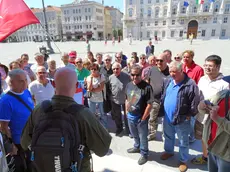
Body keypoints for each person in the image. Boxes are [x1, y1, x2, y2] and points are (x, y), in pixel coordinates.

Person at [21, 68, 112, 172]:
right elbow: (103, 149)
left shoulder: (40, 109)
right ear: (77, 84)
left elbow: (24, 142)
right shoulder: (83, 114)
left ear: (54, 84)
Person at [160, 61, 200, 172]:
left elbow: (195, 102)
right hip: (167, 117)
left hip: (182, 119)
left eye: (175, 72)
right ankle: (169, 151)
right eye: (170, 71)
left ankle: (183, 160)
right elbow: (164, 95)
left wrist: (189, 116)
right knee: (168, 136)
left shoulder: (190, 84)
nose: (172, 74)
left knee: (183, 141)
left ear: (181, 71)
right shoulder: (168, 80)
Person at [191, 55, 229, 165]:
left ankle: (214, 160)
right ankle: (205, 156)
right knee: (203, 138)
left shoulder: (224, 85)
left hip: (214, 120)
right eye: (205, 65)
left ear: (218, 67)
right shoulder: (202, 79)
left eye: (210, 66)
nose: (207, 68)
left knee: (213, 140)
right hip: (200, 116)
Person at [0, 69, 34, 171]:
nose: (24, 83)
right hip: (19, 143)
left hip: (32, 138)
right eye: (20, 81)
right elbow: (3, 127)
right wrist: (11, 144)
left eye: (25, 80)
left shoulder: (27, 92)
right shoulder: (5, 101)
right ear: (11, 82)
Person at [198, 75, 230, 172]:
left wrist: (217, 118)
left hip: (225, 152)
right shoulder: (224, 94)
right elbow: (204, 107)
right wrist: (202, 106)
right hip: (212, 145)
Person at [126, 65, 153, 165]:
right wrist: (127, 111)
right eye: (132, 75)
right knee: (135, 135)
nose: (134, 77)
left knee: (143, 137)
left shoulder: (147, 87)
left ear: (141, 74)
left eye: (137, 75)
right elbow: (127, 99)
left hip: (141, 118)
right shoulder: (129, 85)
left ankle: (144, 154)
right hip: (130, 116)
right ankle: (137, 147)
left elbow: (150, 105)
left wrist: (143, 119)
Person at [109, 62, 131, 136]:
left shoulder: (127, 76)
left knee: (127, 115)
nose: (115, 70)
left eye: (117, 69)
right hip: (115, 100)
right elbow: (109, 88)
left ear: (120, 69)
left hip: (126, 99)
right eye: (114, 69)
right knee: (117, 116)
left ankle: (128, 130)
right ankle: (119, 128)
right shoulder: (110, 77)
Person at [86, 63, 107, 128]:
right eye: (91, 69)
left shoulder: (101, 76)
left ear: (98, 69)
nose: (93, 70)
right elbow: (89, 88)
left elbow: (100, 88)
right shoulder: (89, 77)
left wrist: (93, 90)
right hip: (92, 99)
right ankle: (94, 127)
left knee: (102, 114)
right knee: (92, 114)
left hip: (100, 99)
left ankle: (104, 127)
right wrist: (91, 79)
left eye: (95, 69)